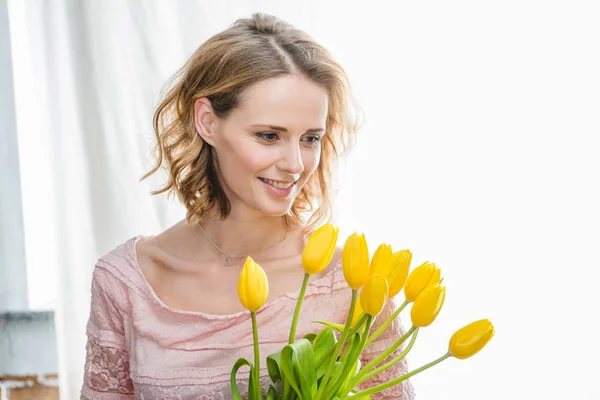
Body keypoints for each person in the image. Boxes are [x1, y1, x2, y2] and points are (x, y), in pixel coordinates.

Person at [81, 13, 415, 400]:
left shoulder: (352, 282)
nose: (295, 164)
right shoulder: (126, 282)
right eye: (269, 135)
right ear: (207, 121)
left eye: (310, 138)